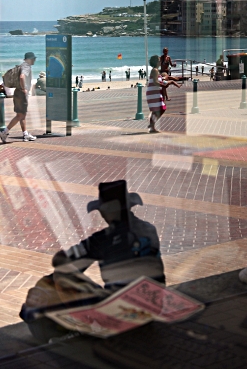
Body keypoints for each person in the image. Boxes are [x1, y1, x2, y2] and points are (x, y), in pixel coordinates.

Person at [20, 180, 164, 341]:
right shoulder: (149, 228)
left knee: (60, 277)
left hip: (123, 310)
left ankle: (78, 328)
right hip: (153, 307)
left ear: (109, 212)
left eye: (102, 211)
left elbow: (62, 261)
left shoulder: (103, 239)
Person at [0, 52, 37, 143]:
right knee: (20, 115)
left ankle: (25, 134)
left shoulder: (21, 65)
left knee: (22, 115)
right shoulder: (26, 66)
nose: (34, 60)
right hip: (21, 93)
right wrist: (24, 89)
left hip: (17, 92)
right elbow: (21, 77)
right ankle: (4, 132)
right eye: (33, 58)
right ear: (29, 59)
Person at [146, 55, 167, 133]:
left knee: (159, 109)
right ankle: (152, 125)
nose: (160, 61)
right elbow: (155, 82)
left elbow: (158, 81)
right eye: (158, 60)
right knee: (161, 108)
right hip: (153, 92)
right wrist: (163, 85)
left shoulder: (156, 70)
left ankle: (152, 126)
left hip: (155, 92)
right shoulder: (155, 70)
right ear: (155, 62)